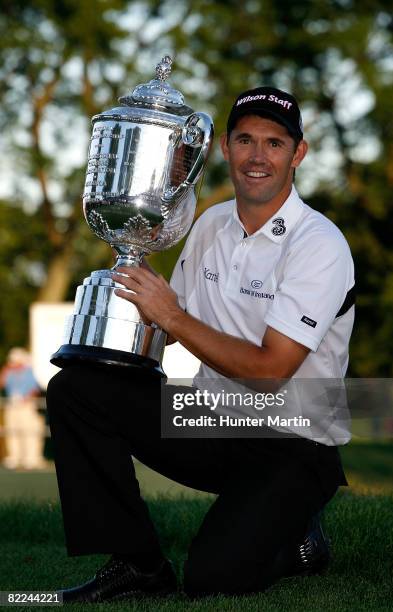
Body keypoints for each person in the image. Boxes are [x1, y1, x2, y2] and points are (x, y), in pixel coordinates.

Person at [46, 86, 355, 602]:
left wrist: (171, 314)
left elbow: (270, 370)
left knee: (213, 579)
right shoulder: (209, 224)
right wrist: (126, 285)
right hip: (209, 420)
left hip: (294, 444)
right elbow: (168, 326)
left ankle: (302, 540)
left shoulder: (319, 244)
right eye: (245, 140)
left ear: (297, 153)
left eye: (275, 144)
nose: (258, 157)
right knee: (77, 389)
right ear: (225, 149)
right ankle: (137, 564)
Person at [1, 347, 45, 470]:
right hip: (12, 405)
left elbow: (35, 389)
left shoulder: (29, 371)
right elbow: (2, 383)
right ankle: (15, 458)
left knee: (30, 431)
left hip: (27, 405)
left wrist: (26, 398)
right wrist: (6, 370)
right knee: (13, 431)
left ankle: (31, 459)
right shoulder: (9, 372)